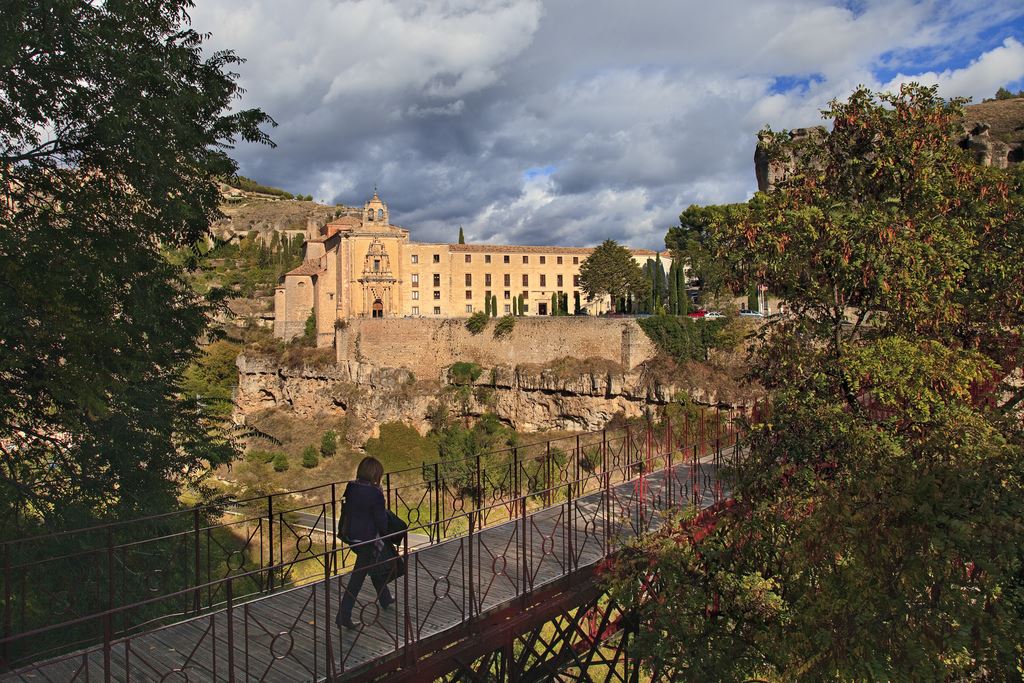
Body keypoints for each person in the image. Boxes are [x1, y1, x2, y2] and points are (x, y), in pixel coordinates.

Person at [335, 456, 406, 629]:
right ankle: (343, 615)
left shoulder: (351, 487)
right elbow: (380, 521)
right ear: (376, 474)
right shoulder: (375, 494)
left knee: (372, 565)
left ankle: (385, 598)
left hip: (352, 536)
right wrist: (387, 535)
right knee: (358, 578)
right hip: (368, 539)